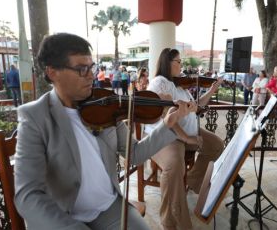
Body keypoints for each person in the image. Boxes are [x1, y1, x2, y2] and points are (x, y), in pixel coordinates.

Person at [14, 33, 196, 230]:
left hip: (109, 208)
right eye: (81, 69)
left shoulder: (105, 104)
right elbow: (28, 195)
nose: (91, 75)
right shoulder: (34, 116)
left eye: (91, 67)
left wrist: (168, 123)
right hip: (62, 217)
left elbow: (134, 154)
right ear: (52, 72)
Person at [145, 48, 224, 230]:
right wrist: (187, 138)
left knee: (216, 145)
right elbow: (166, 113)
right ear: (167, 63)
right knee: (174, 166)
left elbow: (198, 106)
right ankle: (171, 220)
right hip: (168, 136)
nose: (182, 65)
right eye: (178, 61)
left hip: (188, 131)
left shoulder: (180, 86)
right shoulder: (159, 83)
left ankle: (191, 181)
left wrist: (212, 90)